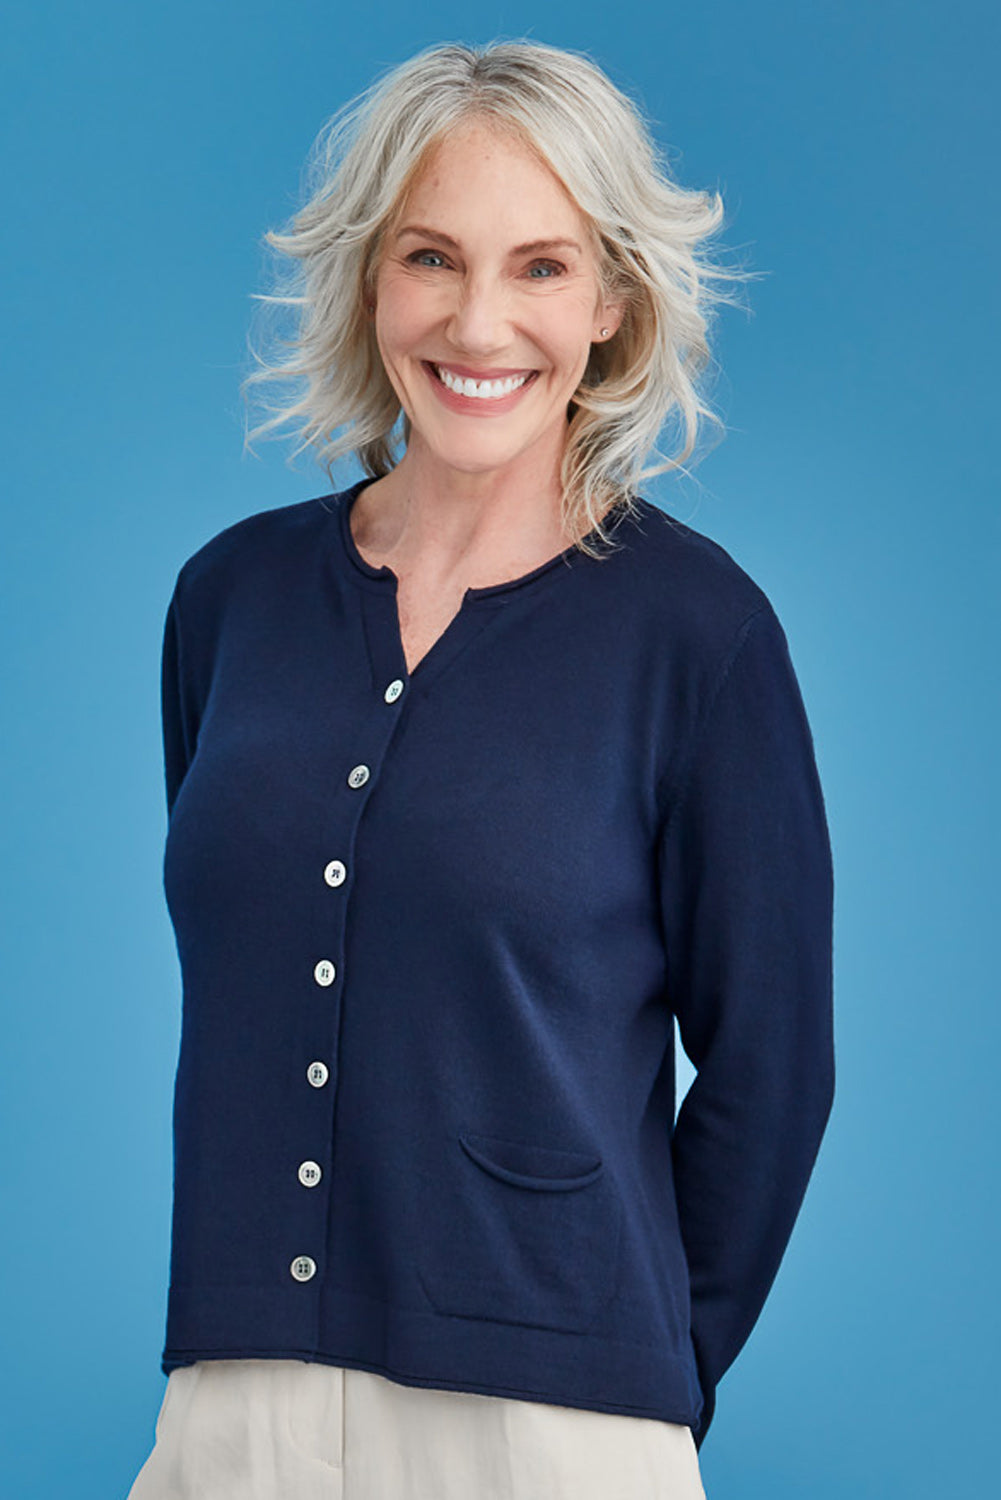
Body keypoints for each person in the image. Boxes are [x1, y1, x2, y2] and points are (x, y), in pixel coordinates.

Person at [127, 38, 835, 1500]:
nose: (477, 320)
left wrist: (636, 1381)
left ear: (613, 303)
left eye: (540, 268)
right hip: (234, 1399)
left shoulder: (696, 636)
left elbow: (773, 1067)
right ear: (368, 280)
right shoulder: (230, 604)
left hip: (545, 1421)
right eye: (431, 257)